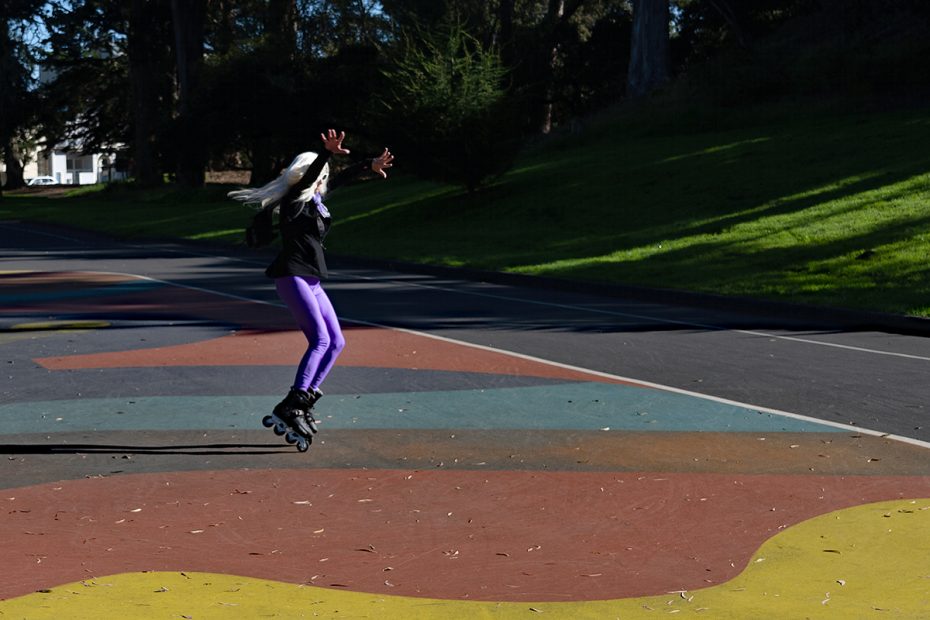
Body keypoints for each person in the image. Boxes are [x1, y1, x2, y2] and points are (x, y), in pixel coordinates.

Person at [229, 129, 394, 450]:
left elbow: (338, 180)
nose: (324, 180)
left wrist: (368, 166)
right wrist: (326, 154)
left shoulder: (314, 200)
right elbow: (312, 178)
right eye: (320, 175)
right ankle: (292, 403)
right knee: (319, 340)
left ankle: (301, 403)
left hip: (312, 278)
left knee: (337, 342)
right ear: (307, 175)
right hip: (292, 276)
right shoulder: (293, 200)